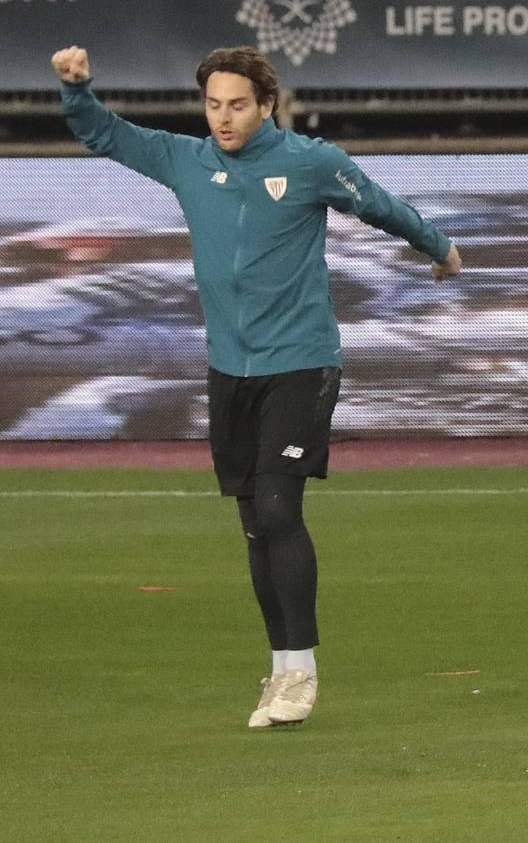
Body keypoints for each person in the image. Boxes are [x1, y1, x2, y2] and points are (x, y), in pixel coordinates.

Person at [51, 45, 461, 728]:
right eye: (212, 104)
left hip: (301, 362)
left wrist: (438, 247)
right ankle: (280, 672)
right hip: (229, 371)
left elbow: (381, 207)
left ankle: (302, 672)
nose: (223, 117)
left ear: (267, 104)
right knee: (252, 525)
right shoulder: (186, 161)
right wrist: (76, 89)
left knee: (276, 508)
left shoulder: (309, 162)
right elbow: (103, 133)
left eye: (237, 104)